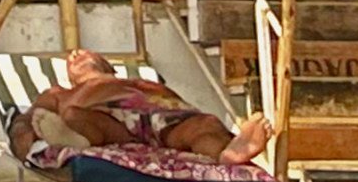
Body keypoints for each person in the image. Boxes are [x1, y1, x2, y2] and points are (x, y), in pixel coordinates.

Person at [14, 51, 277, 168]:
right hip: (106, 118)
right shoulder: (61, 93)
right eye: (71, 60)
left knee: (203, 124)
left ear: (109, 66)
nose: (74, 55)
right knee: (73, 116)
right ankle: (75, 138)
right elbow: (30, 118)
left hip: (163, 113)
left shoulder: (138, 80)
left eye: (82, 53)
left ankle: (227, 153)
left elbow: (173, 103)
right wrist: (22, 136)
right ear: (70, 77)